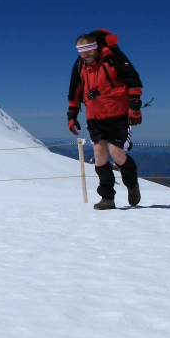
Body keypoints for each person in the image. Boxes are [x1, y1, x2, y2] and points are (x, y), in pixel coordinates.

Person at [67, 30, 144, 209]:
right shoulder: (80, 65)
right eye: (81, 52)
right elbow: (74, 91)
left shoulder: (113, 57)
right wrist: (72, 114)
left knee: (117, 153)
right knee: (99, 154)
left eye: (88, 51)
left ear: (95, 47)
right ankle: (107, 198)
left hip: (118, 115)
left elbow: (133, 81)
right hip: (94, 116)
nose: (85, 55)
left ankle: (132, 185)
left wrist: (134, 107)